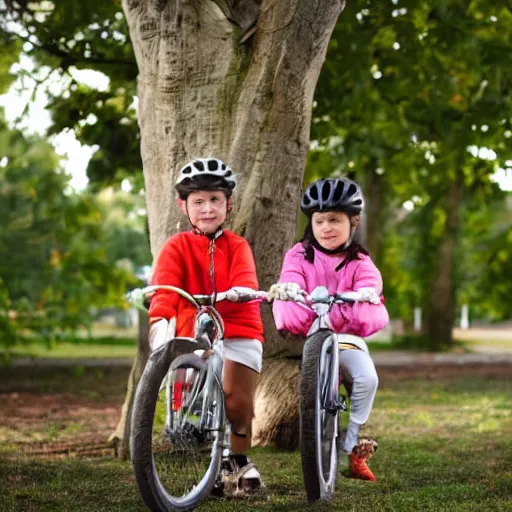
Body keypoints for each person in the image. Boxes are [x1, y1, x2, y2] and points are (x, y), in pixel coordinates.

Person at [148, 157, 264, 494]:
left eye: (215, 200)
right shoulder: (177, 246)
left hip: (239, 326)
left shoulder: (238, 246)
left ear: (228, 203)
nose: (207, 209)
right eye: (198, 201)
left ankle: (238, 462)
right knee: (179, 358)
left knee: (238, 403)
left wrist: (242, 290)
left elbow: (246, 278)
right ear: (183, 206)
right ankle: (183, 418)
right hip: (193, 328)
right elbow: (166, 288)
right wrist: (160, 317)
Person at [269, 177, 389, 482]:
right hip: (313, 335)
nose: (326, 228)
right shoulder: (299, 254)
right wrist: (291, 291)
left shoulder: (359, 259)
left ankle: (352, 441)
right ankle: (317, 434)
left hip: (347, 338)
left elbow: (370, 283)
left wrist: (365, 293)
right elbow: (292, 276)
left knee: (366, 378)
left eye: (335, 220)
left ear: (353, 222)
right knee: (319, 387)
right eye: (319, 221)